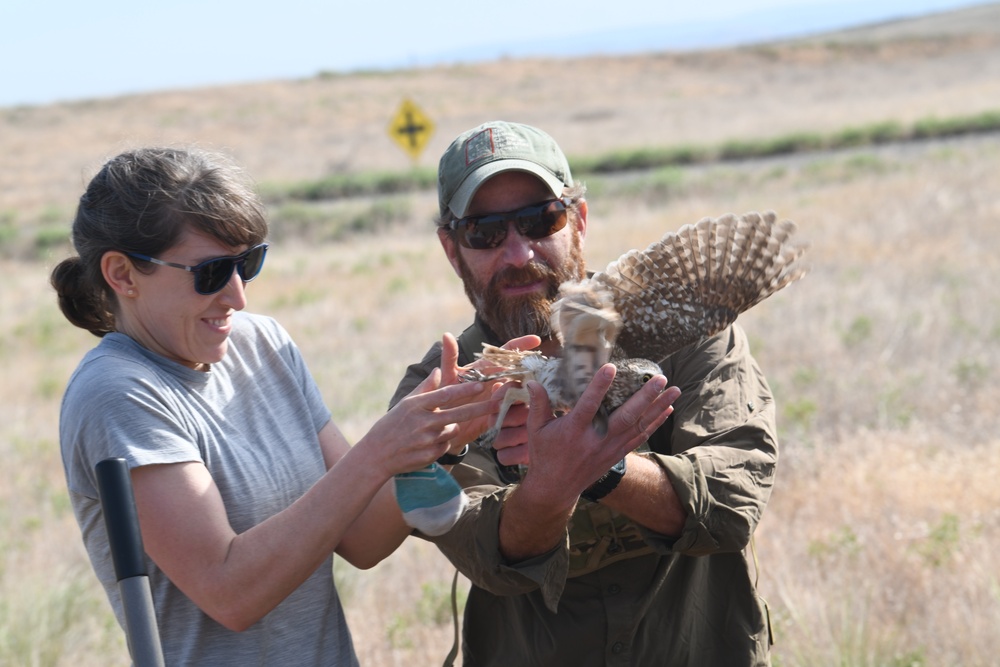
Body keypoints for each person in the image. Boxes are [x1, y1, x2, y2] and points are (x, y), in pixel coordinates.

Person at [51, 146, 498, 666]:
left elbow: (361, 539)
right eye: (212, 272)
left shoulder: (263, 344)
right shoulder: (117, 392)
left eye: (248, 263)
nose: (238, 297)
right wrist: (378, 452)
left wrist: (436, 442)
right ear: (122, 275)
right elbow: (230, 592)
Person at [390, 121, 778, 666]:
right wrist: (555, 481)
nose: (519, 253)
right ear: (452, 251)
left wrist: (603, 466)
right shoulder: (443, 389)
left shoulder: (685, 321)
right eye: (484, 232)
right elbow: (486, 554)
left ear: (578, 222)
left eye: (539, 219)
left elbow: (733, 501)